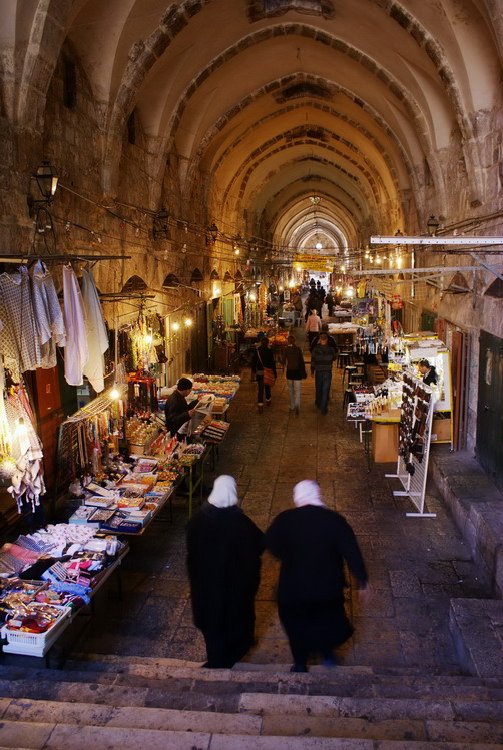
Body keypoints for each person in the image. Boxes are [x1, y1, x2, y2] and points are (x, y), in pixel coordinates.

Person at [265, 480, 369, 673]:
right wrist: (362, 580)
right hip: (327, 588)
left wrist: (288, 554)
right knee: (325, 621)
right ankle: (327, 654)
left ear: (298, 496)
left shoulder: (285, 519)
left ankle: (299, 663)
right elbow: (351, 551)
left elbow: (271, 544)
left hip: (293, 589)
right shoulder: (335, 521)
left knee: (296, 626)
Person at [186, 475, 264, 668]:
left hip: (206, 587)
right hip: (234, 587)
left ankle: (216, 660)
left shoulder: (197, 520)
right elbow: (260, 543)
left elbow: (191, 551)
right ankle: (234, 653)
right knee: (235, 619)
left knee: (212, 624)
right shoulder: (241, 523)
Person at [310, 331, 336, 414]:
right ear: (327, 340)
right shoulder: (331, 349)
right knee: (326, 389)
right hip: (328, 372)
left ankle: (318, 402)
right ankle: (323, 408)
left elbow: (313, 360)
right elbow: (334, 358)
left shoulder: (316, 349)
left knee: (318, 388)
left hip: (318, 371)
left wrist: (312, 371)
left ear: (320, 340)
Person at [283, 334, 307, 415]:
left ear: (288, 341)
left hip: (289, 372)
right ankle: (297, 405)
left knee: (291, 389)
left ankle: (292, 405)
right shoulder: (298, 349)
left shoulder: (286, 350)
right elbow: (302, 361)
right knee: (298, 390)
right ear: (294, 341)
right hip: (297, 372)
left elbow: (283, 362)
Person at [251, 336, 277, 412]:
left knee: (260, 388)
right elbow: (273, 363)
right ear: (267, 343)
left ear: (261, 343)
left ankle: (260, 405)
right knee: (267, 387)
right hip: (268, 372)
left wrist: (253, 371)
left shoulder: (257, 351)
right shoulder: (269, 351)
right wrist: (275, 373)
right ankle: (268, 400)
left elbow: (254, 362)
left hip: (260, 373)